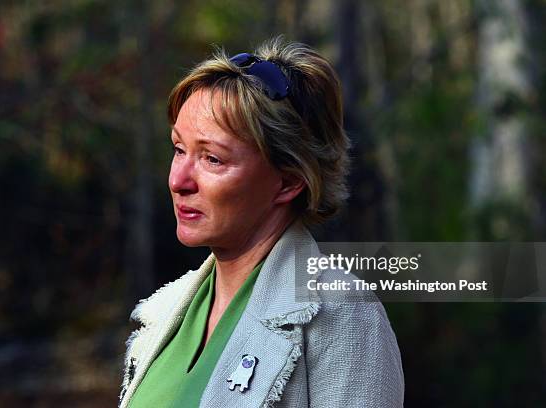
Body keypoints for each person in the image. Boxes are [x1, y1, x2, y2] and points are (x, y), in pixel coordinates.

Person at [119, 37, 404, 408]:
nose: (178, 181)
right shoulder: (165, 311)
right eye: (179, 149)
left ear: (288, 182)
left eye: (213, 159)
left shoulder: (341, 313)